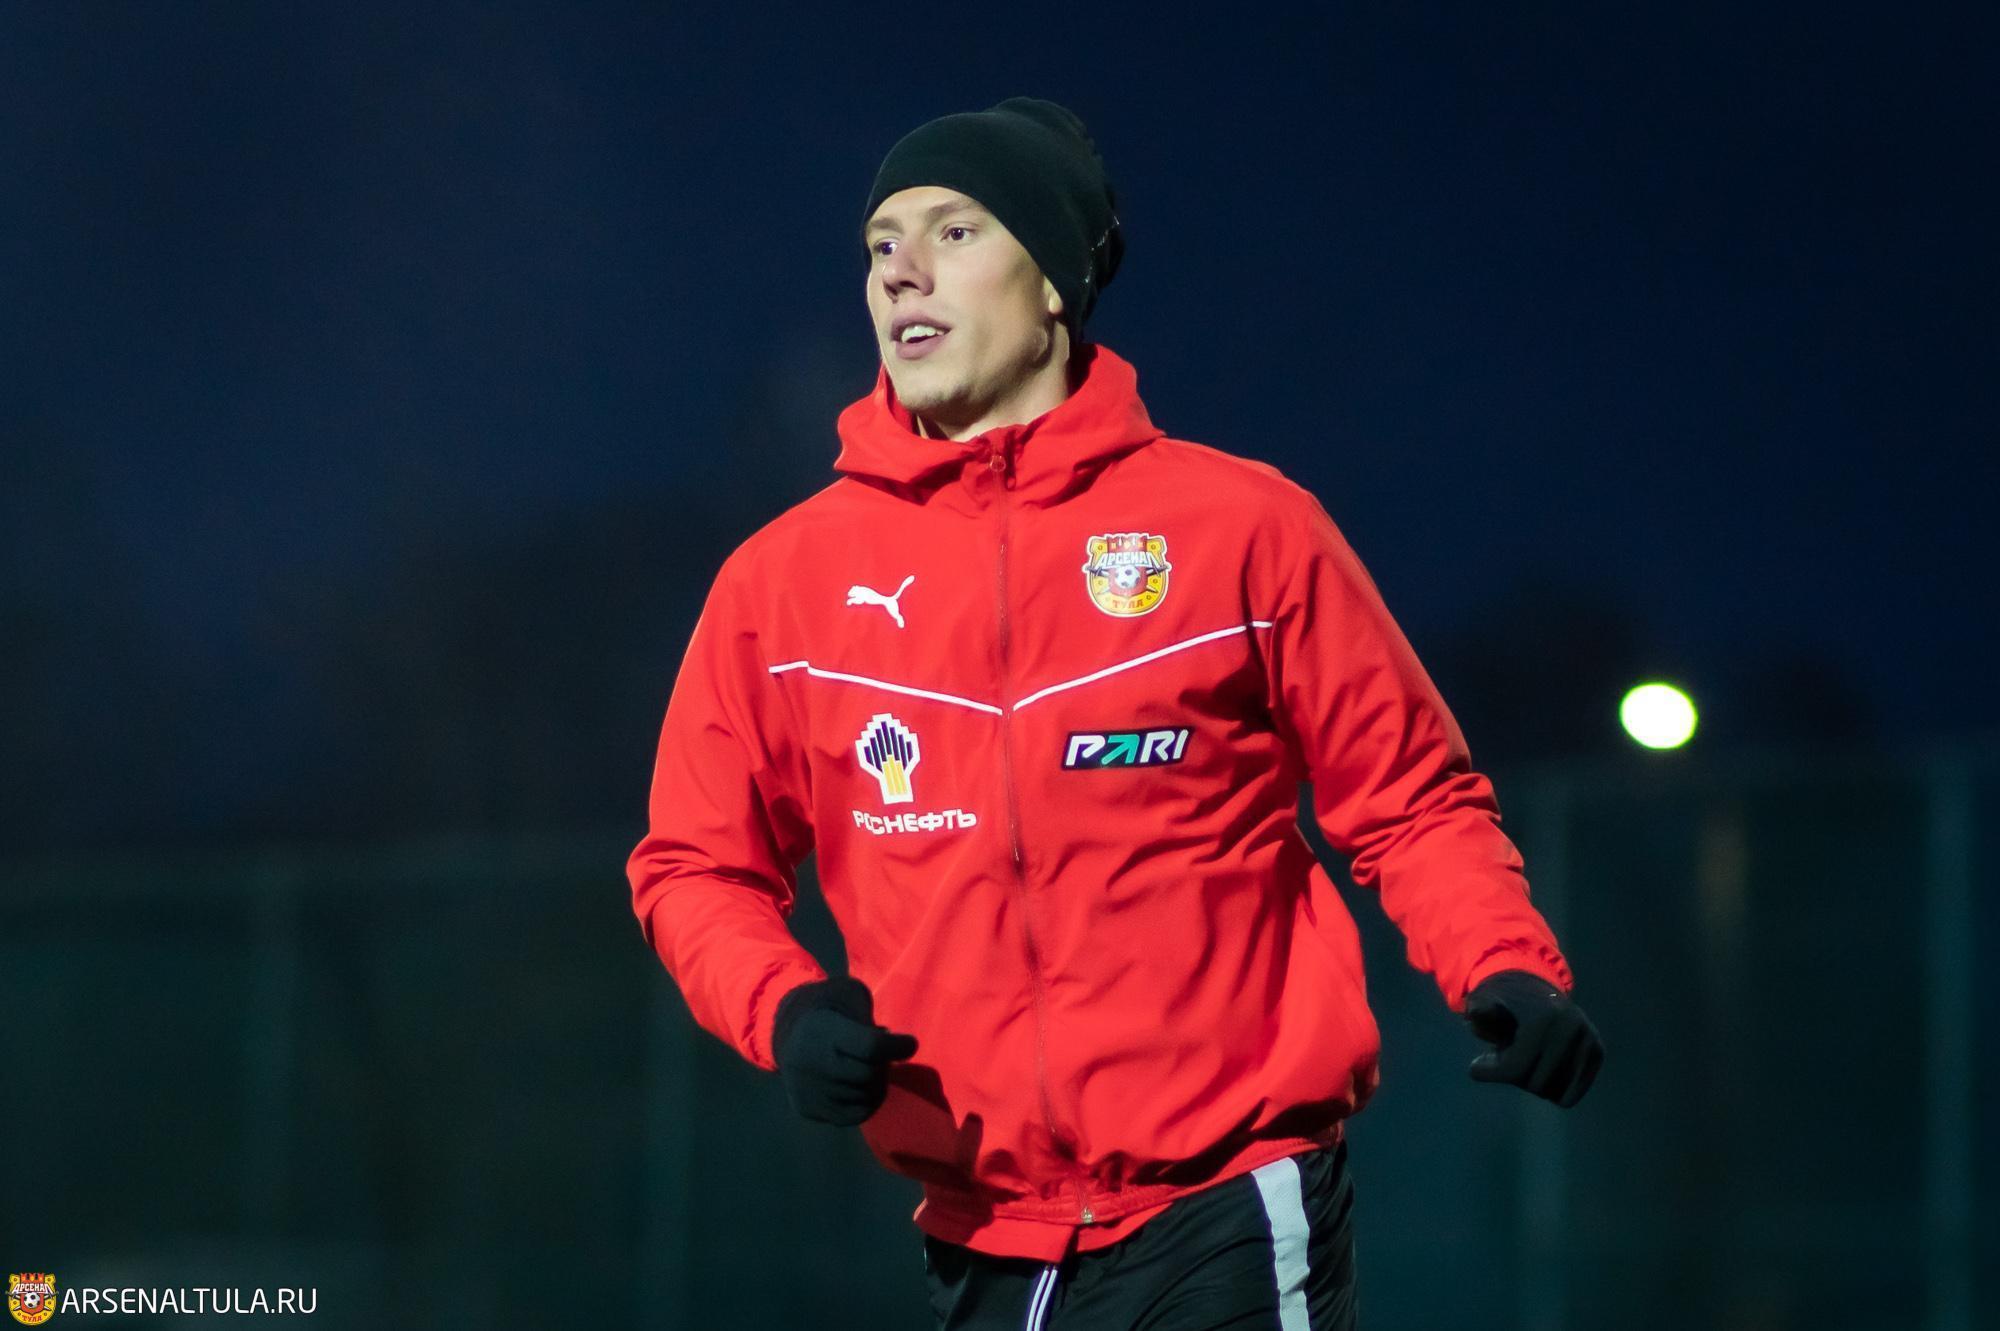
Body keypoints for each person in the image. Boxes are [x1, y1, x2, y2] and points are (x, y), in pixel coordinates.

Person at [627, 95, 1604, 1330]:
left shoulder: (1243, 527)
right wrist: (782, 1005)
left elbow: (1408, 797)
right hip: (978, 1226)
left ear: (1053, 282)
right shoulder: (781, 582)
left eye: (954, 230)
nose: (900, 271)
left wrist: (1503, 960)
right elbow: (693, 864)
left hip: (1227, 1199)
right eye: (880, 244)